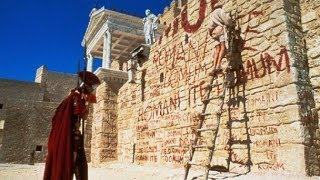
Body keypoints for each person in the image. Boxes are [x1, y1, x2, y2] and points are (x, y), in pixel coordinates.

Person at [43, 71, 100, 180]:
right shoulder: (77, 98)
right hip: (72, 137)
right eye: (90, 87)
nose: (92, 90)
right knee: (77, 165)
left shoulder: (72, 97)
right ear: (86, 86)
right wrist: (86, 104)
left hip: (62, 137)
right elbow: (83, 116)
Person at [207, 4, 232, 76]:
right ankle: (218, 65)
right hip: (220, 30)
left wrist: (211, 34)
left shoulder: (211, 15)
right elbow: (226, 20)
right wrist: (230, 24)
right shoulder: (220, 11)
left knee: (217, 50)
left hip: (214, 33)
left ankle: (214, 67)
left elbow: (209, 26)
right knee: (223, 47)